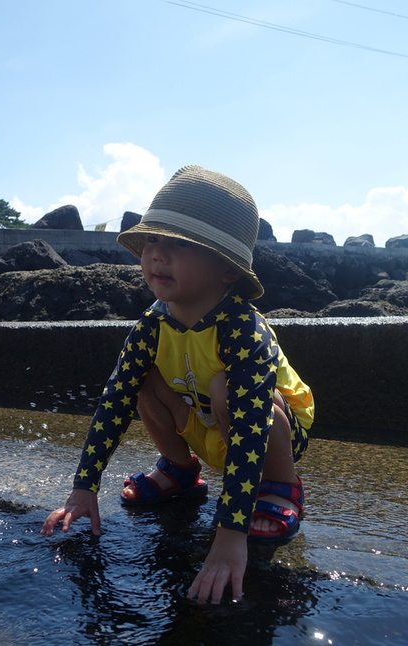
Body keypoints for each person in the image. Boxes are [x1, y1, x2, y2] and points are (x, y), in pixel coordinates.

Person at [41, 165, 314, 604]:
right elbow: (115, 400)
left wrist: (230, 534)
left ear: (227, 270)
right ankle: (179, 468)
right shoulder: (152, 325)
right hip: (201, 423)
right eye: (152, 239)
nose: (157, 255)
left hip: (265, 439)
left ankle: (280, 487)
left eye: (179, 244)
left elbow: (248, 427)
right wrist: (84, 487)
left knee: (228, 388)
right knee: (137, 378)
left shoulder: (242, 328)